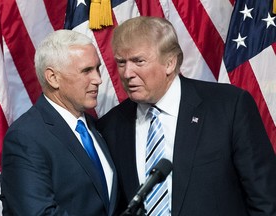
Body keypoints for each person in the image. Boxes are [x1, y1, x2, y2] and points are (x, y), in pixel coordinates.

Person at [97, 16, 276, 216]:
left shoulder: (228, 106)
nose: (127, 72)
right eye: (121, 62)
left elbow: (265, 199)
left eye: (139, 61)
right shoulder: (110, 126)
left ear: (170, 63)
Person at [0, 29, 119, 215]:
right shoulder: (25, 138)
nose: (98, 79)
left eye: (97, 68)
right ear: (53, 78)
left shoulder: (94, 126)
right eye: (86, 71)